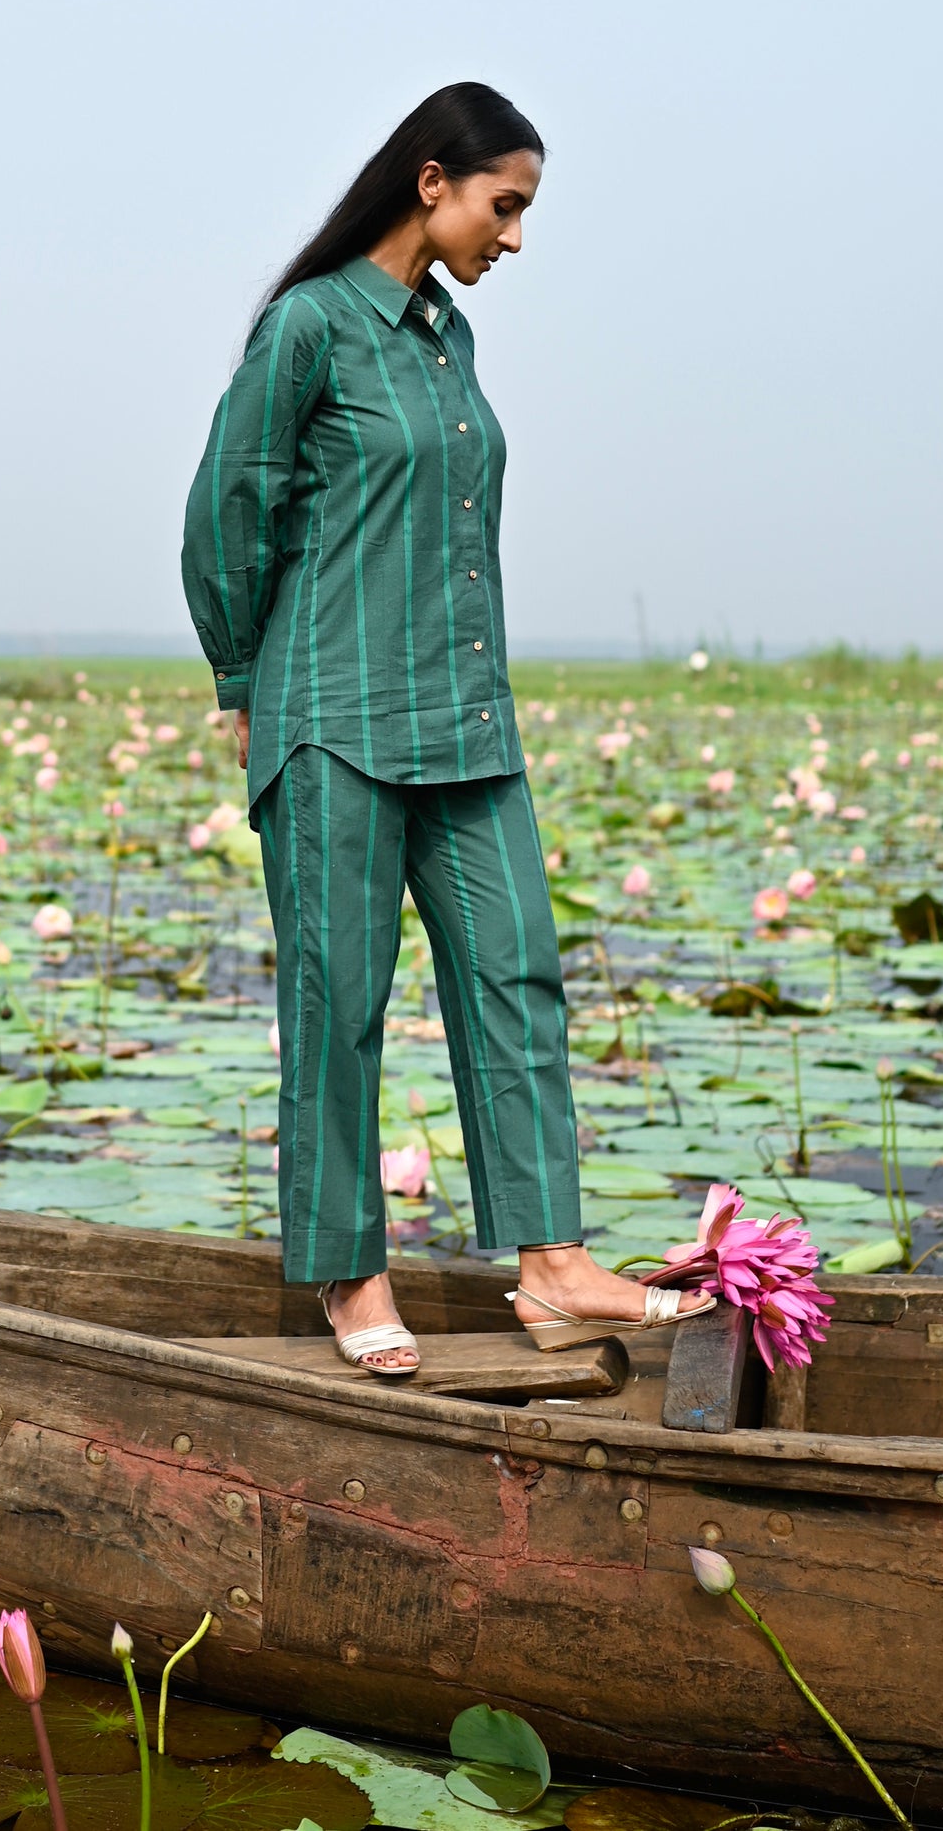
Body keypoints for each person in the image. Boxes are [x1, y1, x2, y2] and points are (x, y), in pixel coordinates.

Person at [182, 83, 710, 1375]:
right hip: (335, 720)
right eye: (503, 205)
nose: (512, 238)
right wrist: (248, 681)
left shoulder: (445, 340)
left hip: (466, 723)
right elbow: (223, 516)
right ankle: (351, 1277)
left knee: (516, 977)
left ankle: (547, 1265)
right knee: (337, 1001)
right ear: (432, 183)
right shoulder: (310, 328)